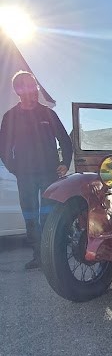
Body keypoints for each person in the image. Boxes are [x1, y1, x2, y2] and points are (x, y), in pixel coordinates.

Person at [0, 71, 72, 269]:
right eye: (29, 87)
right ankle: (38, 256)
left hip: (50, 174)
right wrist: (15, 169)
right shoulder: (10, 117)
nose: (34, 91)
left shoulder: (48, 114)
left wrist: (65, 162)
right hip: (25, 176)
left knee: (49, 215)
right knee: (30, 215)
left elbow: (65, 141)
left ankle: (52, 256)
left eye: (35, 86)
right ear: (18, 90)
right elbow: (4, 148)